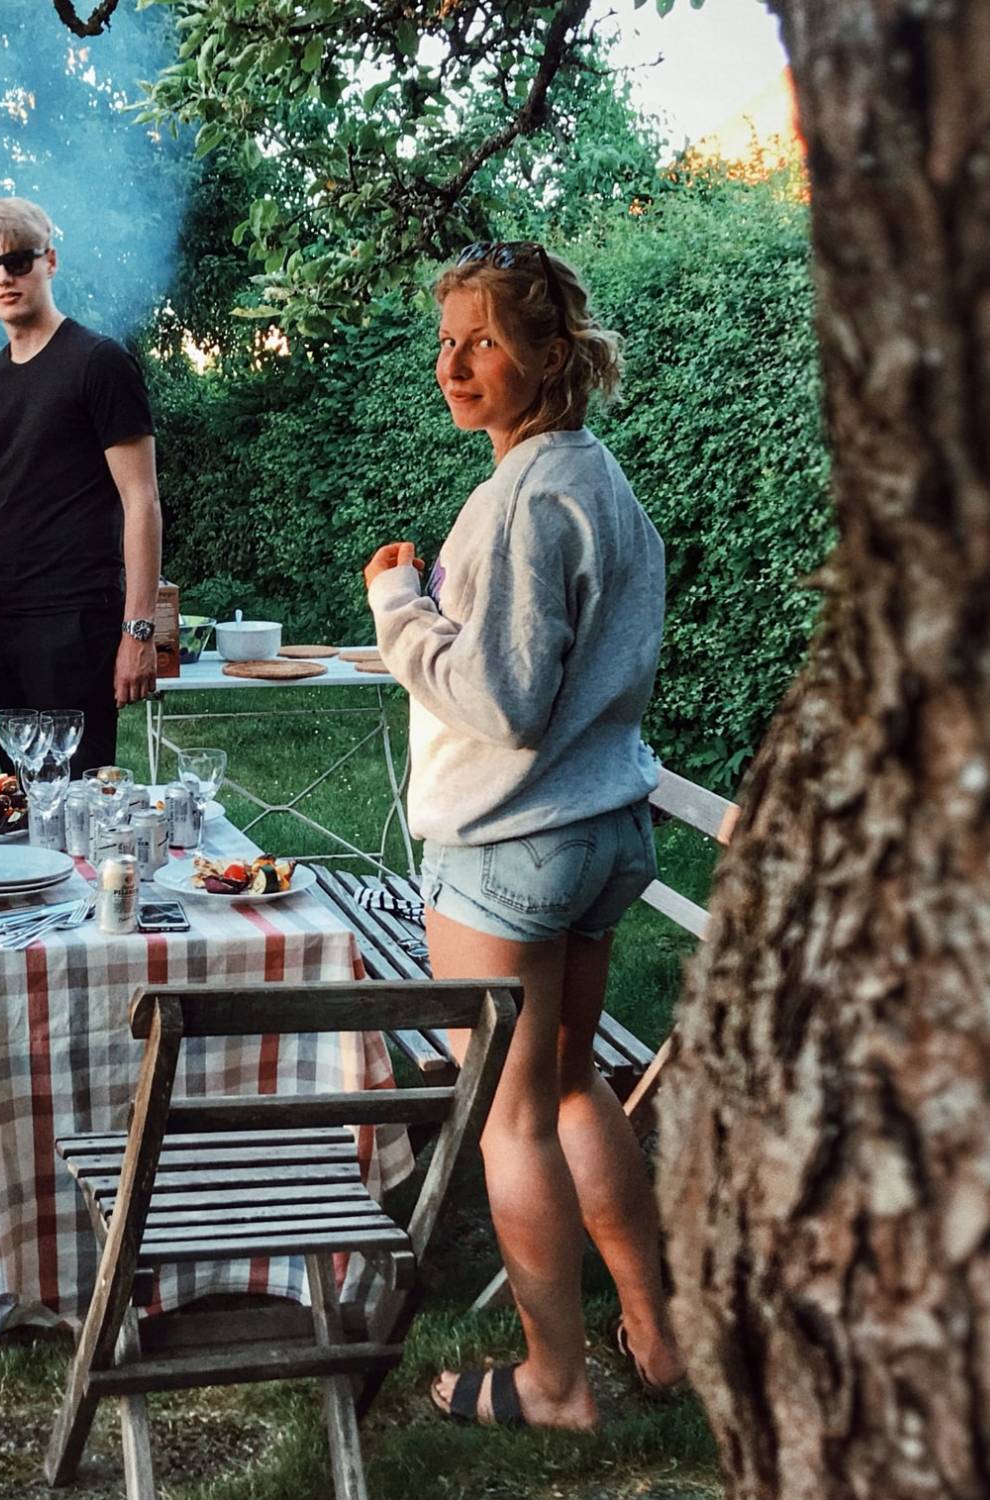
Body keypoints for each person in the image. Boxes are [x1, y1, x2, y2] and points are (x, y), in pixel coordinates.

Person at [363, 242, 685, 1428]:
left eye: (482, 341)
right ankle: (654, 1337)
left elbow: (499, 700)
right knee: (568, 1087)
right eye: (445, 341)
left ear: (552, 357)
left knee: (507, 1117)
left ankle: (555, 1385)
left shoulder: (515, 502)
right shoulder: (599, 481)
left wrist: (398, 610)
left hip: (509, 847)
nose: (452, 364)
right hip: (602, 833)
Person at [0, 197, 162, 774]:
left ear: (50, 261)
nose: (3, 278)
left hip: (78, 621)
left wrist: (139, 631)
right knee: (15, 802)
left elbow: (142, 501)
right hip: (2, 621)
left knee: (78, 804)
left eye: (17, 261)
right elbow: (10, 488)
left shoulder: (99, 363)